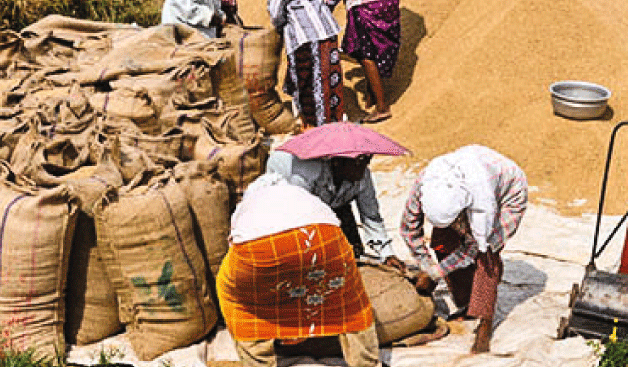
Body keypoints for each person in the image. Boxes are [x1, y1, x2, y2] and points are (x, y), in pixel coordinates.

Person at [217, 174, 381, 367]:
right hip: (323, 237)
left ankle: (258, 361)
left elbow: (235, 242)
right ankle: (366, 362)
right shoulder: (303, 196)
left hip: (261, 247)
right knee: (350, 296)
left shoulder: (248, 204)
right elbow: (333, 222)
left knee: (235, 295)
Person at [399, 144, 528, 353]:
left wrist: (435, 274)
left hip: (508, 191)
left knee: (485, 255)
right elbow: (408, 228)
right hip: (471, 175)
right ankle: (467, 302)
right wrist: (426, 265)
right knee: (442, 242)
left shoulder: (482, 204)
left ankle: (484, 323)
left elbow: (472, 250)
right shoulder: (425, 183)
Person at [255, 0, 345, 130]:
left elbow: (276, 12)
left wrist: (278, 26)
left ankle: (316, 127)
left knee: (309, 83)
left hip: (305, 36)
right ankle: (335, 123)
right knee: (329, 77)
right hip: (327, 30)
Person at [265, 148, 406, 272]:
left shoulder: (362, 175)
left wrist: (387, 254)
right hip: (295, 210)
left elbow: (371, 215)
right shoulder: (305, 174)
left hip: (337, 205)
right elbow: (299, 218)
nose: (365, 166)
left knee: (352, 255)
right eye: (359, 162)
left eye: (367, 160)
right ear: (337, 163)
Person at [325, 0, 401, 124]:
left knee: (365, 53)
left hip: (363, 1)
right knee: (380, 45)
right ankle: (372, 94)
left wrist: (330, 4)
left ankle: (382, 107)